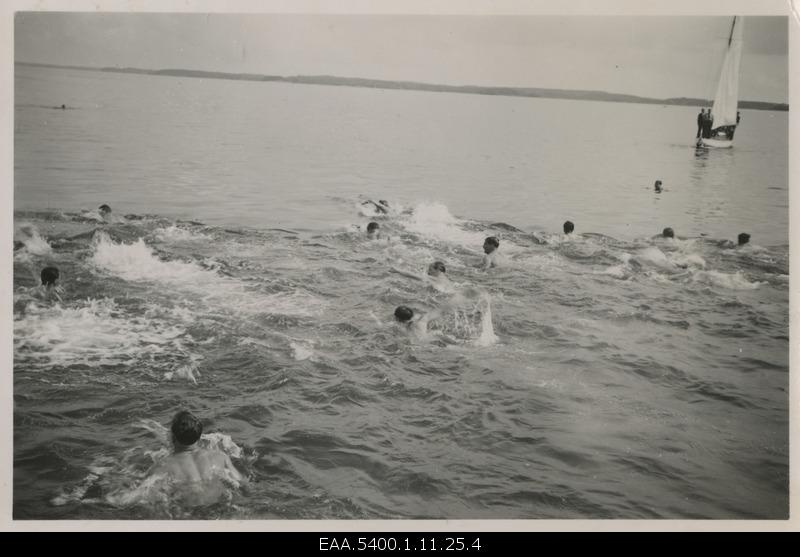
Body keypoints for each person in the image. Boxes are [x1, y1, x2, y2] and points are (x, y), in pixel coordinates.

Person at [148, 411, 245, 505]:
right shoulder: (220, 456)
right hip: (218, 503)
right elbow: (241, 481)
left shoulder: (164, 465)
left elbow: (144, 491)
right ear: (199, 436)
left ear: (173, 436)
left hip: (190, 511)